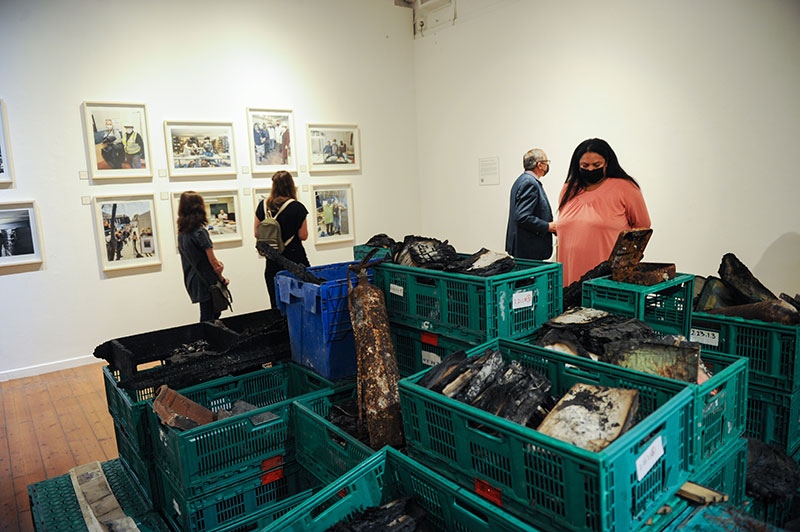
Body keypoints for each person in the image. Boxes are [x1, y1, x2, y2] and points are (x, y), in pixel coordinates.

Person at [557, 138, 651, 286]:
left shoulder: (625, 188)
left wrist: (625, 266)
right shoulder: (568, 189)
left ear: (607, 163)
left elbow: (642, 228)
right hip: (568, 279)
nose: (590, 169)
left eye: (596, 165)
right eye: (585, 165)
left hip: (606, 280)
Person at [254, 170, 310, 308]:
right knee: (301, 304)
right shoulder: (297, 207)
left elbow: (256, 233)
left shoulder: (262, 206)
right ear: (291, 186)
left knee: (277, 305)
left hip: (272, 262)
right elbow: (303, 235)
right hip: (295, 261)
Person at [177, 191, 229, 322]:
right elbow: (214, 263)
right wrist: (222, 279)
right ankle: (208, 342)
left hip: (193, 281)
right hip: (207, 282)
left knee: (207, 314)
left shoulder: (182, 234)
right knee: (209, 317)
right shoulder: (200, 232)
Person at [505, 148, 556, 260]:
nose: (547, 166)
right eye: (547, 162)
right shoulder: (530, 183)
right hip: (529, 248)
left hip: (523, 246)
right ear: (540, 165)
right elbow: (523, 216)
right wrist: (548, 227)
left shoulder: (521, 180)